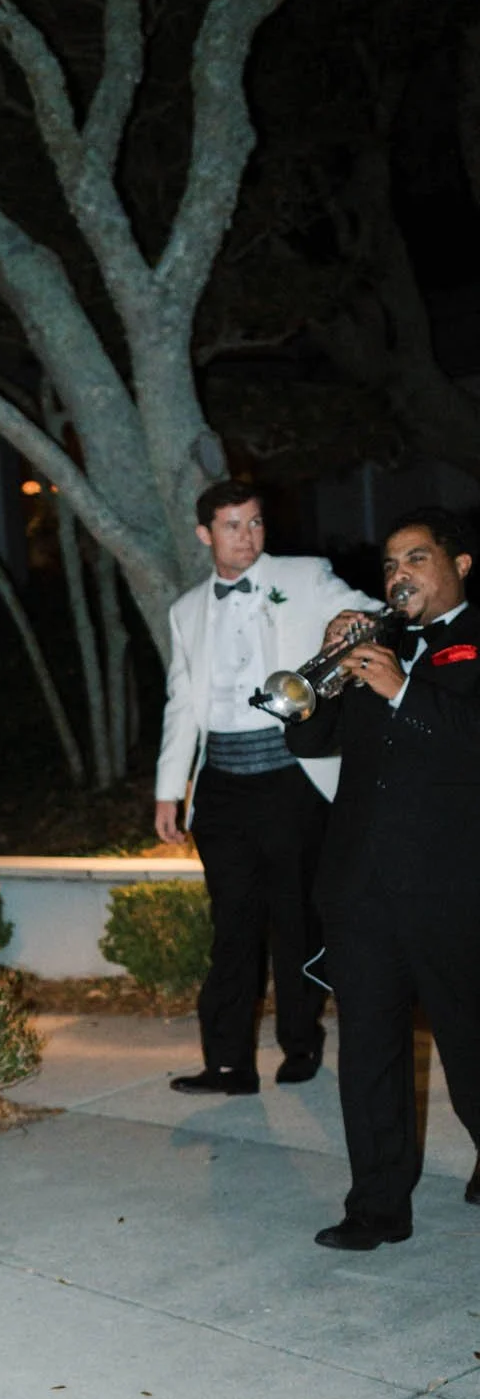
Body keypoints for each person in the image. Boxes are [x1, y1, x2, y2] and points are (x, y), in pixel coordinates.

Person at [288, 509, 480, 1249]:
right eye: (390, 565)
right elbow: (305, 734)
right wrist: (328, 665)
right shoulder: (378, 647)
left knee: (469, 1046)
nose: (398, 575)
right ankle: (376, 1206)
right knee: (368, 1052)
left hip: (453, 891)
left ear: (461, 564)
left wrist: (401, 690)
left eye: (417, 558)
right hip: (363, 891)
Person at [155, 480, 372, 1094]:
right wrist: (170, 790)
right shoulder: (186, 608)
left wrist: (347, 624)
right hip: (220, 785)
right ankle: (227, 1063)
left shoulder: (304, 577)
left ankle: (301, 1043)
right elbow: (181, 704)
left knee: (295, 919)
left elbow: (369, 617)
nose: (247, 536)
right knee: (232, 924)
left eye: (254, 523)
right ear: (205, 535)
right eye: (231, 526)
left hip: (289, 778)